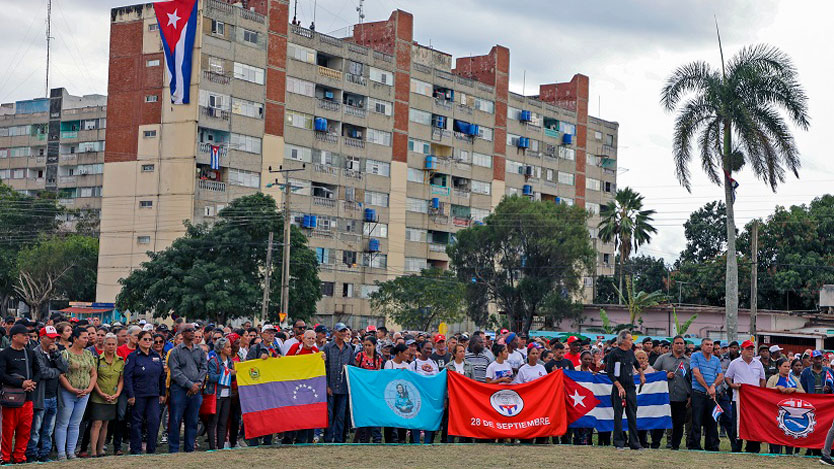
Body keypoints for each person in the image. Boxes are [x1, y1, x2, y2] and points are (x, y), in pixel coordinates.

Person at [0, 323, 42, 464]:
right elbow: (2, 375)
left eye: (28, 335)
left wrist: (32, 383)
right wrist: (21, 383)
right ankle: (5, 457)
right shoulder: (4, 354)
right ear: (14, 337)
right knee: (8, 430)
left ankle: (19, 457)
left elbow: (38, 371)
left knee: (25, 430)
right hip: (11, 398)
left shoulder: (30, 352)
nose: (27, 337)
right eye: (24, 335)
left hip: (28, 398)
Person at [55, 327, 97, 461]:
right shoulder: (65, 354)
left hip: (84, 394)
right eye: (84, 337)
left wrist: (89, 389)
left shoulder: (88, 354)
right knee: (63, 423)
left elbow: (93, 373)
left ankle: (71, 452)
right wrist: (72, 389)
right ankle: (61, 453)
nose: (87, 340)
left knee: (75, 423)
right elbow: (61, 375)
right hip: (67, 392)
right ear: (75, 339)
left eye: (87, 337)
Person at [26, 326, 66, 463]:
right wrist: (57, 371)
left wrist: (56, 355)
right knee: (36, 429)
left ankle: (44, 454)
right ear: (42, 337)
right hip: (40, 396)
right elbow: (42, 372)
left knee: (48, 430)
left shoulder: (55, 351)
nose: (53, 340)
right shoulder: (35, 352)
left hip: (54, 396)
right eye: (50, 337)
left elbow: (65, 367)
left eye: (54, 337)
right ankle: (31, 454)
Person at [125, 329, 166, 455]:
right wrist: (130, 395)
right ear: (138, 341)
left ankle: (151, 449)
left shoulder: (155, 356)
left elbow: (161, 376)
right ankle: (136, 449)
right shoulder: (133, 357)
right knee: (136, 422)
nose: (148, 341)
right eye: (145, 339)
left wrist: (162, 393)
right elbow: (127, 377)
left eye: (150, 339)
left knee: (153, 421)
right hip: (138, 394)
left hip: (153, 394)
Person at [167, 323, 207, 453]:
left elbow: (204, 368)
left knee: (193, 420)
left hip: (196, 390)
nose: (192, 332)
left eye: (193, 330)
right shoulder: (175, 352)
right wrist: (190, 385)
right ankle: (173, 448)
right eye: (189, 331)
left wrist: (198, 384)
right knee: (175, 420)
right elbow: (175, 372)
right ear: (182, 334)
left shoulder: (199, 350)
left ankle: (189, 448)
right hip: (179, 390)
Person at [606, 330, 644, 450]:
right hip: (619, 387)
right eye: (630, 339)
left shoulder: (631, 353)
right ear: (623, 340)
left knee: (632, 414)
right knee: (618, 415)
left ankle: (634, 442)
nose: (632, 341)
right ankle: (619, 441)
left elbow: (637, 364)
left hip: (630, 387)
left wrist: (642, 374)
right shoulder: (614, 354)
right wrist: (619, 387)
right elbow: (610, 372)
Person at [89, 333, 124, 457]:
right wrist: (100, 393)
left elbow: (121, 379)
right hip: (98, 396)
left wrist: (117, 393)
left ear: (116, 345)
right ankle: (93, 450)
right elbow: (94, 377)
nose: (111, 346)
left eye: (113, 344)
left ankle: (101, 449)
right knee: (97, 423)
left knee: (106, 424)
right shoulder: (97, 360)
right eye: (108, 344)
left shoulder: (120, 361)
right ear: (103, 345)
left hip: (112, 396)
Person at [653, 335, 690, 450]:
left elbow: (691, 380)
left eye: (681, 343)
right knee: (661, 422)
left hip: (681, 397)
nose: (679, 345)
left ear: (684, 346)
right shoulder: (663, 358)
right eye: (677, 343)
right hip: (665, 397)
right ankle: (655, 444)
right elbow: (654, 372)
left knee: (679, 423)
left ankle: (675, 445)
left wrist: (690, 396)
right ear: (672, 345)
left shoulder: (688, 362)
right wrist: (665, 375)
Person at [688, 338, 723, 452]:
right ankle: (694, 445)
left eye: (711, 345)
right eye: (707, 344)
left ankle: (711, 445)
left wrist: (713, 386)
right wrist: (707, 388)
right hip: (698, 392)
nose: (709, 346)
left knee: (712, 421)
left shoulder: (716, 360)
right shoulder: (695, 356)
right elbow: (696, 373)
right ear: (702, 346)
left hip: (711, 394)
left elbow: (720, 376)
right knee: (697, 420)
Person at [323, 322, 353, 443]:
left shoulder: (349, 348)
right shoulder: (328, 347)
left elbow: (352, 367)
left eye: (344, 331)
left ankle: (339, 439)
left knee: (341, 416)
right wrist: (326, 385)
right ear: (335, 332)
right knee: (329, 415)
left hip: (344, 387)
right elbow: (324, 368)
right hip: (331, 386)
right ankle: (328, 438)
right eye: (340, 331)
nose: (342, 333)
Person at [206, 337, 235, 450]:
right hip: (216, 395)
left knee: (223, 422)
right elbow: (212, 377)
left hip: (227, 395)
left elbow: (231, 379)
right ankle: (212, 446)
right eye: (228, 347)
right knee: (213, 421)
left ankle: (221, 446)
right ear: (222, 349)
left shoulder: (230, 361)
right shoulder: (214, 361)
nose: (230, 349)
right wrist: (227, 373)